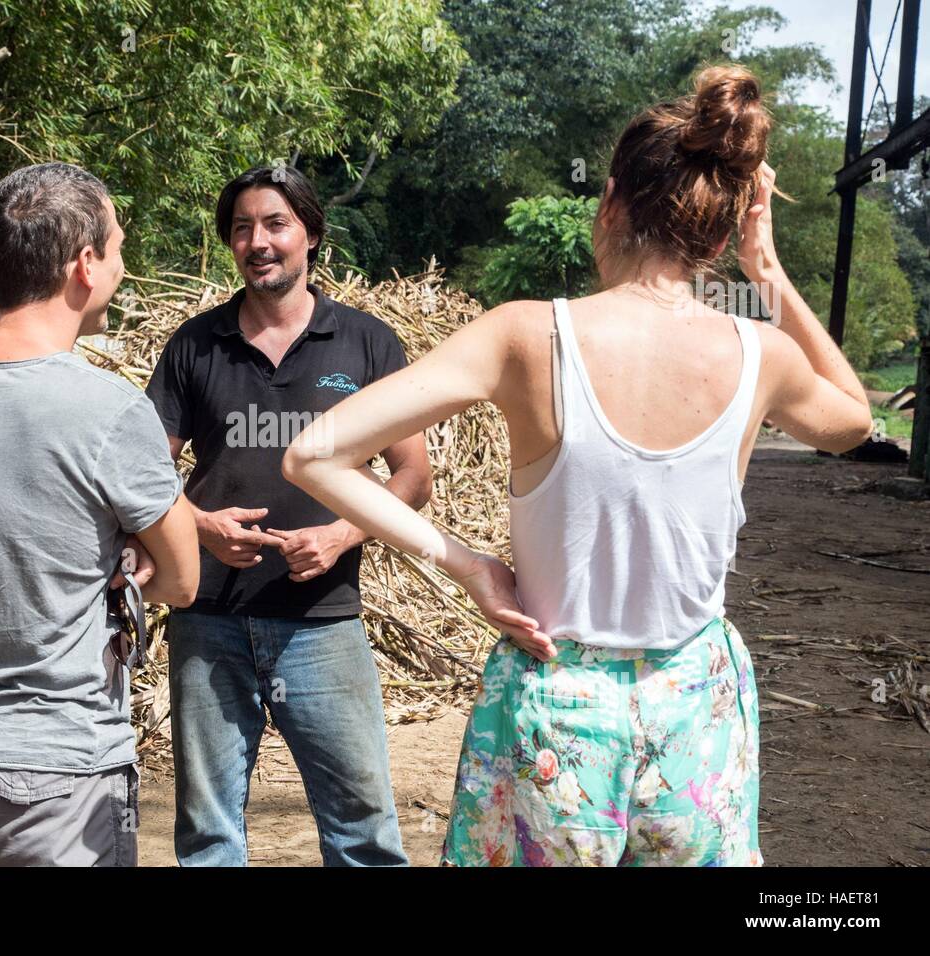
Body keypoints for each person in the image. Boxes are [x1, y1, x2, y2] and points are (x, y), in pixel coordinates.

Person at [283, 65, 873, 867]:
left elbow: (314, 454)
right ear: (722, 229)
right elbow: (854, 420)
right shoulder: (760, 354)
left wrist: (466, 566)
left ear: (609, 202)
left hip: (556, 708)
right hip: (696, 706)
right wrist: (766, 272)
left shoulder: (526, 336)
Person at [0, 162, 199, 867]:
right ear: (84, 264)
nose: (123, 265)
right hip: (56, 767)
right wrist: (123, 558)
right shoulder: (111, 409)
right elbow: (182, 580)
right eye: (117, 247)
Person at [144, 164, 433, 866]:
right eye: (242, 228)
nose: (258, 241)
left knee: (362, 829)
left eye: (275, 224)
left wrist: (342, 534)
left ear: (310, 234)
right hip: (207, 619)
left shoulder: (365, 343)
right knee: (208, 833)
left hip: (323, 622)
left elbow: (414, 475)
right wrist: (203, 526)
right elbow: (145, 475)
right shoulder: (195, 345)